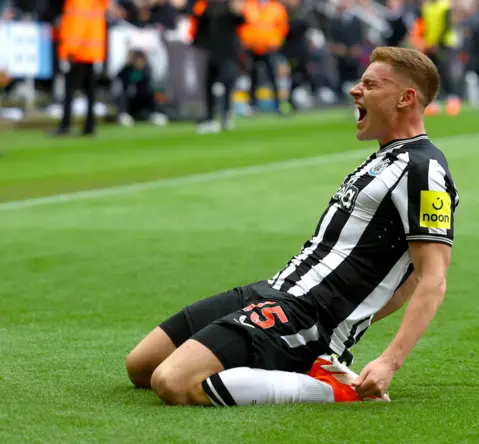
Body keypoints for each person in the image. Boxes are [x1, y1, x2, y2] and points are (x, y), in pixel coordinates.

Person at [126, 46, 460, 407]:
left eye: (371, 84)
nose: (355, 90)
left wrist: (384, 357)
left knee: (173, 381)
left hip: (307, 313)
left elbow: (430, 277)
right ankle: (307, 367)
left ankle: (331, 389)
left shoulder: (423, 170)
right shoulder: (382, 158)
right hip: (273, 290)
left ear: (405, 99)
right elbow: (404, 278)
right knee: (142, 366)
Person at [53, 0, 109, 136]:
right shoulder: (96, 3)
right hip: (92, 52)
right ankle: (89, 125)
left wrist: (68, 53)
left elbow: (76, 28)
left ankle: (65, 125)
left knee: (69, 90)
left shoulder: (78, 2)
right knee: (90, 92)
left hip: (78, 53)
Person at [190, 0, 246, 133]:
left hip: (227, 51)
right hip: (211, 52)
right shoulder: (206, 6)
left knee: (226, 82)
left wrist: (236, 10)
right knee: (210, 85)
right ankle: (210, 117)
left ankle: (226, 113)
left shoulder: (229, 6)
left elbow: (241, 21)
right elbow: (199, 27)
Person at [239, 0, 289, 114]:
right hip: (252, 47)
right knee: (253, 75)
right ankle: (252, 105)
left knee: (273, 75)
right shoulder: (248, 6)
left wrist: (276, 40)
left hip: (269, 47)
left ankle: (277, 104)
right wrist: (245, 40)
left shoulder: (276, 7)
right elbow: (241, 24)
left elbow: (283, 27)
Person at [115, 50, 167, 127]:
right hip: (131, 99)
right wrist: (127, 65)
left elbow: (144, 79)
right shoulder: (128, 69)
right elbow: (119, 77)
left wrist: (139, 69)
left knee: (155, 95)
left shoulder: (146, 69)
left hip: (144, 97)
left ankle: (157, 114)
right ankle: (124, 116)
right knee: (122, 96)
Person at [328, 0, 364, 103]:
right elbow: (331, 39)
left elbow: (360, 37)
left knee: (356, 74)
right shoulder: (334, 21)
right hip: (341, 56)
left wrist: (357, 47)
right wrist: (337, 48)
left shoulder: (357, 20)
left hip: (354, 55)